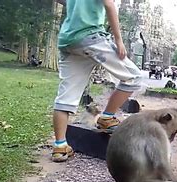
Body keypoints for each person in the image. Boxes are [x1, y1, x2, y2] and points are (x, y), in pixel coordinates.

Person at [51, 0, 142, 162]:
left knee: (66, 96)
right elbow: (109, 4)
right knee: (134, 77)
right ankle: (106, 117)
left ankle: (60, 146)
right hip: (91, 38)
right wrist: (119, 40)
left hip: (68, 41)